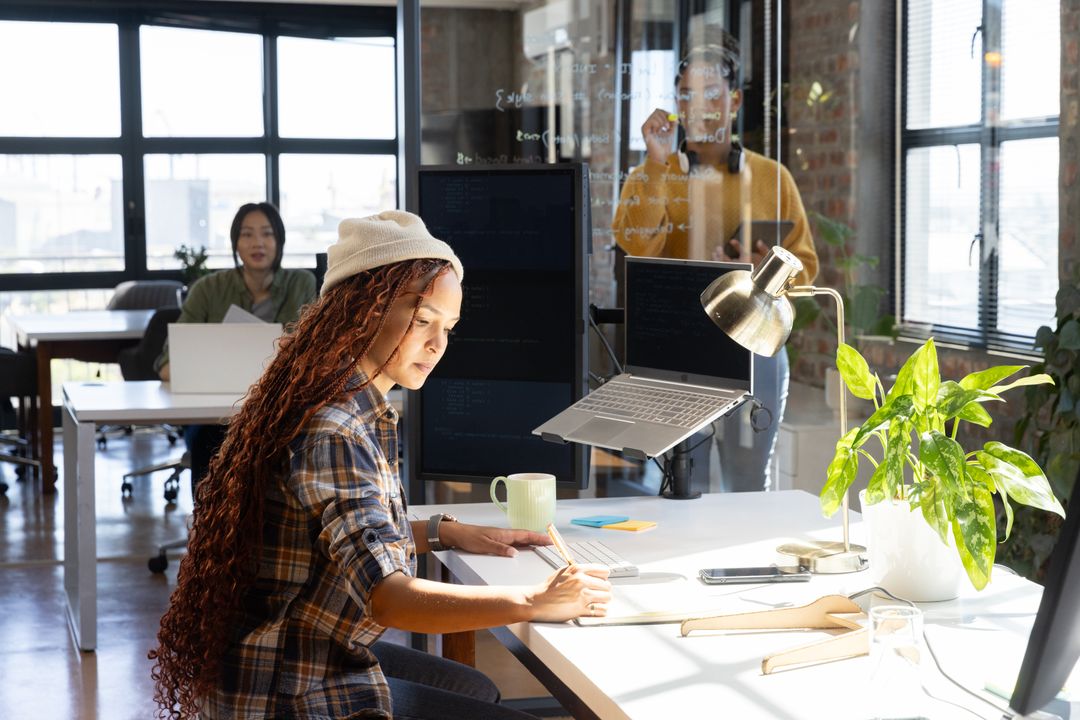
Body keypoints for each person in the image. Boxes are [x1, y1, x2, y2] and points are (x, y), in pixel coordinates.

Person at [149, 210, 612, 720]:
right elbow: (388, 599)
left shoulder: (340, 398)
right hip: (289, 690)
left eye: (449, 328)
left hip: (291, 650)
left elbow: (333, 533)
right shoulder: (336, 427)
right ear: (363, 311)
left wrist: (443, 532)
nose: (438, 344)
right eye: (422, 320)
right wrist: (535, 600)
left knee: (474, 689)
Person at [611, 31, 818, 493]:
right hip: (680, 346)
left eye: (711, 93)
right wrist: (657, 164)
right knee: (683, 481)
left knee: (749, 480)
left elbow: (804, 262)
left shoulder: (769, 176)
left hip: (753, 344)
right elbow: (636, 245)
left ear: (734, 101)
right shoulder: (652, 173)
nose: (698, 105)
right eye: (686, 94)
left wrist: (763, 268)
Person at [155, 202, 317, 486]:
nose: (258, 243)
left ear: (279, 241)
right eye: (247, 234)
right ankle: (209, 526)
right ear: (235, 243)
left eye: (267, 234)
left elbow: (305, 353)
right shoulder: (208, 289)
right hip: (216, 417)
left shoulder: (300, 283)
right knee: (211, 440)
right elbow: (169, 364)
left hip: (279, 409)